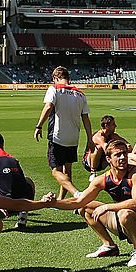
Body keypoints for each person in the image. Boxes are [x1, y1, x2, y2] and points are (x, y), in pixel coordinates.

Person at [52, 140, 136, 267]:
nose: (123, 157)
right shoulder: (102, 179)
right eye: (118, 155)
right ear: (108, 159)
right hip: (120, 220)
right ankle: (109, 245)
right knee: (84, 207)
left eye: (124, 153)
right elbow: (78, 201)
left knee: (125, 214)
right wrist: (51, 203)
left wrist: (106, 207)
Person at [34, 66, 94, 200]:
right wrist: (90, 139)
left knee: (56, 171)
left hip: (58, 136)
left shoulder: (54, 89)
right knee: (68, 171)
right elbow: (86, 118)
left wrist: (39, 126)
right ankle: (61, 200)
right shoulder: (80, 93)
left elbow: (48, 106)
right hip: (73, 138)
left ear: (55, 78)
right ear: (68, 78)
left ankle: (76, 193)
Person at [0, 132, 36, 230]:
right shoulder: (13, 158)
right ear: (2, 145)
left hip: (4, 201)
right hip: (23, 198)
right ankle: (23, 216)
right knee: (29, 181)